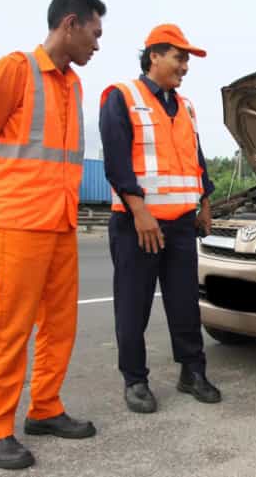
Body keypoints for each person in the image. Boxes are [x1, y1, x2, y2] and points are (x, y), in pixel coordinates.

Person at [0, 0, 105, 470]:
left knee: (59, 325)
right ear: (70, 24)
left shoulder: (73, 84)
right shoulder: (15, 68)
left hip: (60, 221)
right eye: (95, 32)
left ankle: (44, 409)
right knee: (11, 328)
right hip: (19, 221)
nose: (97, 44)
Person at [99, 23, 221, 415]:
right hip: (138, 225)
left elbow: (195, 161)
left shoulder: (185, 107)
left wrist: (204, 204)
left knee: (185, 303)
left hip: (182, 224)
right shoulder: (122, 97)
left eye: (187, 59)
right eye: (179, 57)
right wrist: (139, 212)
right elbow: (117, 162)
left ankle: (192, 372)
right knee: (133, 306)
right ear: (155, 55)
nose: (185, 66)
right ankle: (135, 380)